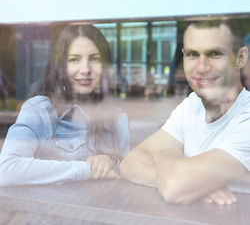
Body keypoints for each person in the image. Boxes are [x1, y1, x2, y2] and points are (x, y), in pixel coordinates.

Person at [120, 20, 250, 205]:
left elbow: (174, 187)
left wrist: (166, 156)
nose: (202, 67)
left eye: (214, 54)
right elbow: (130, 164)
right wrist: (186, 184)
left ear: (240, 58)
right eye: (192, 54)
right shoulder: (192, 105)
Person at [0, 24, 129, 186]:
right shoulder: (39, 110)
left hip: (103, 209)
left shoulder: (118, 117)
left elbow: (127, 175)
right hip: (50, 210)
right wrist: (85, 170)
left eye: (94, 59)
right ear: (61, 66)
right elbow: (7, 170)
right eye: (74, 59)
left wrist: (111, 161)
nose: (85, 69)